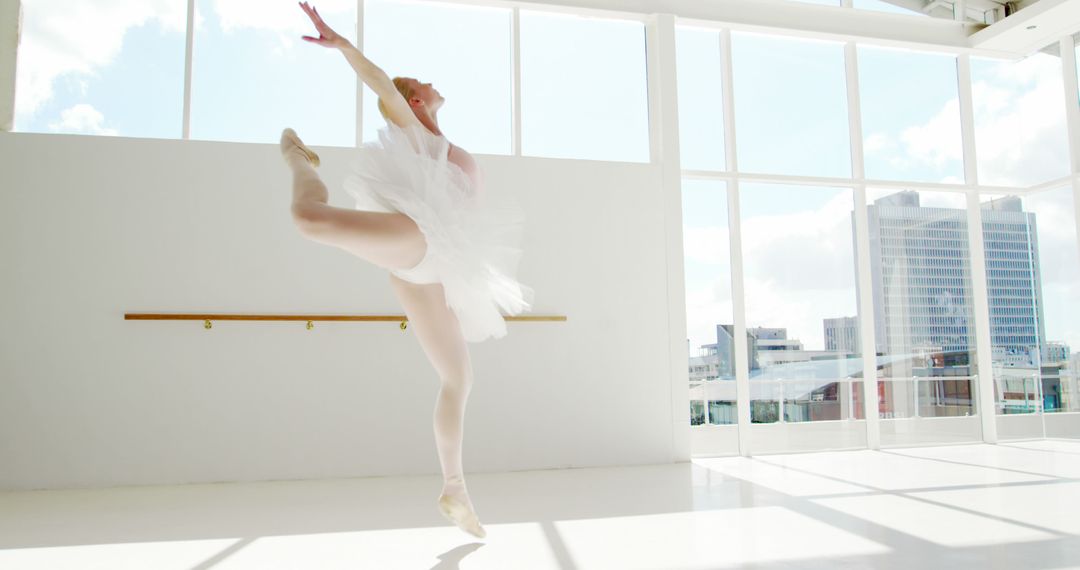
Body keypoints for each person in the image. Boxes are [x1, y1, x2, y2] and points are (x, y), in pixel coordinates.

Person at [281, 1, 534, 539]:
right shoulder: (411, 128)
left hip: (435, 269)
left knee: (460, 378)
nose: (432, 83)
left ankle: (455, 488)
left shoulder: (438, 142)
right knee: (308, 218)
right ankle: (298, 161)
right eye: (423, 83)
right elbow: (379, 82)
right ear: (414, 99)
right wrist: (343, 45)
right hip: (421, 237)